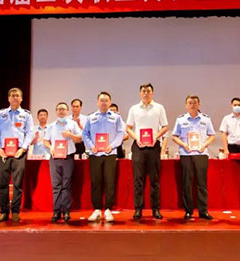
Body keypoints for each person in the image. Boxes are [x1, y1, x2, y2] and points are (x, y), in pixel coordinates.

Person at [0, 87, 34, 223]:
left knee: (17, 184)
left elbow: (30, 133)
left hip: (19, 152)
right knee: (3, 184)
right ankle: (3, 212)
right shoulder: (1, 114)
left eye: (17, 95)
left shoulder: (26, 115)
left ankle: (15, 211)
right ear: (8, 98)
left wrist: (24, 149)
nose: (15, 97)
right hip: (3, 152)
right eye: (12, 95)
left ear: (21, 99)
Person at [126, 83, 168, 220]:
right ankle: (138, 209)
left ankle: (156, 209)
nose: (146, 93)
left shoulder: (159, 108)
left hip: (154, 146)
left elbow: (165, 126)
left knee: (154, 179)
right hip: (138, 146)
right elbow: (128, 128)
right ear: (140, 93)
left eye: (148, 91)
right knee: (138, 179)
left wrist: (156, 137)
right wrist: (137, 138)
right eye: (143, 91)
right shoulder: (134, 109)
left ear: (152, 93)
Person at [83, 91, 126, 222]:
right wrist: (91, 146)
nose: (104, 103)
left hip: (109, 153)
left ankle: (108, 209)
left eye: (106, 100)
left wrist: (112, 145)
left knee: (109, 182)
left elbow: (121, 133)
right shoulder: (91, 117)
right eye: (101, 100)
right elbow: (85, 134)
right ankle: (97, 209)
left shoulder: (116, 117)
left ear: (110, 102)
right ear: (97, 102)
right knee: (96, 182)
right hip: (95, 153)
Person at [171, 95, 215, 220]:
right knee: (187, 183)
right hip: (186, 154)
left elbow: (212, 135)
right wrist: (183, 145)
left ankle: (203, 211)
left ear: (199, 104)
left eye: (195, 103)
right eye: (190, 103)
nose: (192, 105)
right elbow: (174, 136)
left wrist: (204, 145)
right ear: (186, 105)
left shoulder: (206, 119)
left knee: (202, 183)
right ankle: (188, 211)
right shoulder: (181, 119)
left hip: (201, 153)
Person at [43, 102, 82, 223]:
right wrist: (50, 147)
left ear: (67, 111)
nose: (61, 111)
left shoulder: (73, 124)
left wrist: (70, 135)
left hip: (68, 157)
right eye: (59, 109)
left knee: (66, 185)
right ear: (56, 111)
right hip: (55, 158)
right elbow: (45, 141)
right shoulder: (51, 126)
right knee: (56, 185)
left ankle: (66, 210)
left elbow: (80, 139)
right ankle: (56, 211)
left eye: (63, 109)